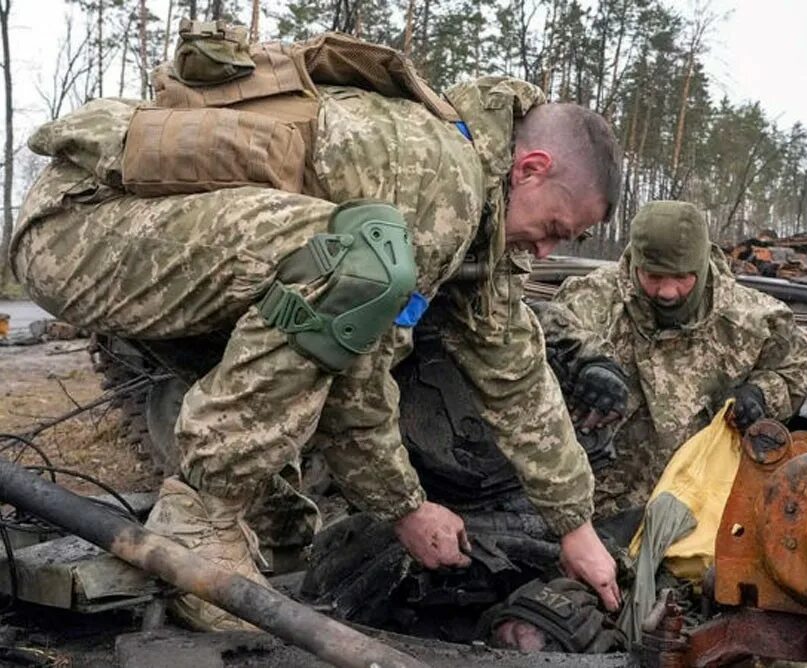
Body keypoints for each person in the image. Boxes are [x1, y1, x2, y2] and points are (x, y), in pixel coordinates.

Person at [9, 26, 623, 630]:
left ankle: (261, 515)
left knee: (322, 299)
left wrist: (576, 526)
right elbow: (360, 377)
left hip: (148, 239)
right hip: (84, 228)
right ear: (531, 169)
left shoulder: (481, 213)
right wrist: (405, 507)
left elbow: (516, 376)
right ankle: (202, 519)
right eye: (556, 231)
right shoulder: (445, 179)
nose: (546, 253)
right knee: (359, 265)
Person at [535, 200, 807, 517]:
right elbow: (544, 331)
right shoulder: (592, 298)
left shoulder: (756, 320)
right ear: (634, 263)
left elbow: (796, 370)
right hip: (595, 506)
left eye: (682, 277)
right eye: (653, 276)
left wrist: (762, 394)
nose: (667, 292)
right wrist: (585, 363)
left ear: (702, 264)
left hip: (700, 509)